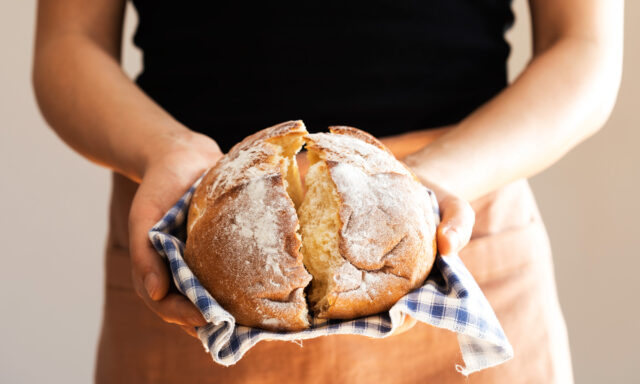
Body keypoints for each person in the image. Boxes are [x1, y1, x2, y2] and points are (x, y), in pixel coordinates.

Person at [32, 0, 622, 383]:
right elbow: (68, 43)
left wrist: (435, 184)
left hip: (456, 226)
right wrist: (163, 150)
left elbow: (584, 49)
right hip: (197, 231)